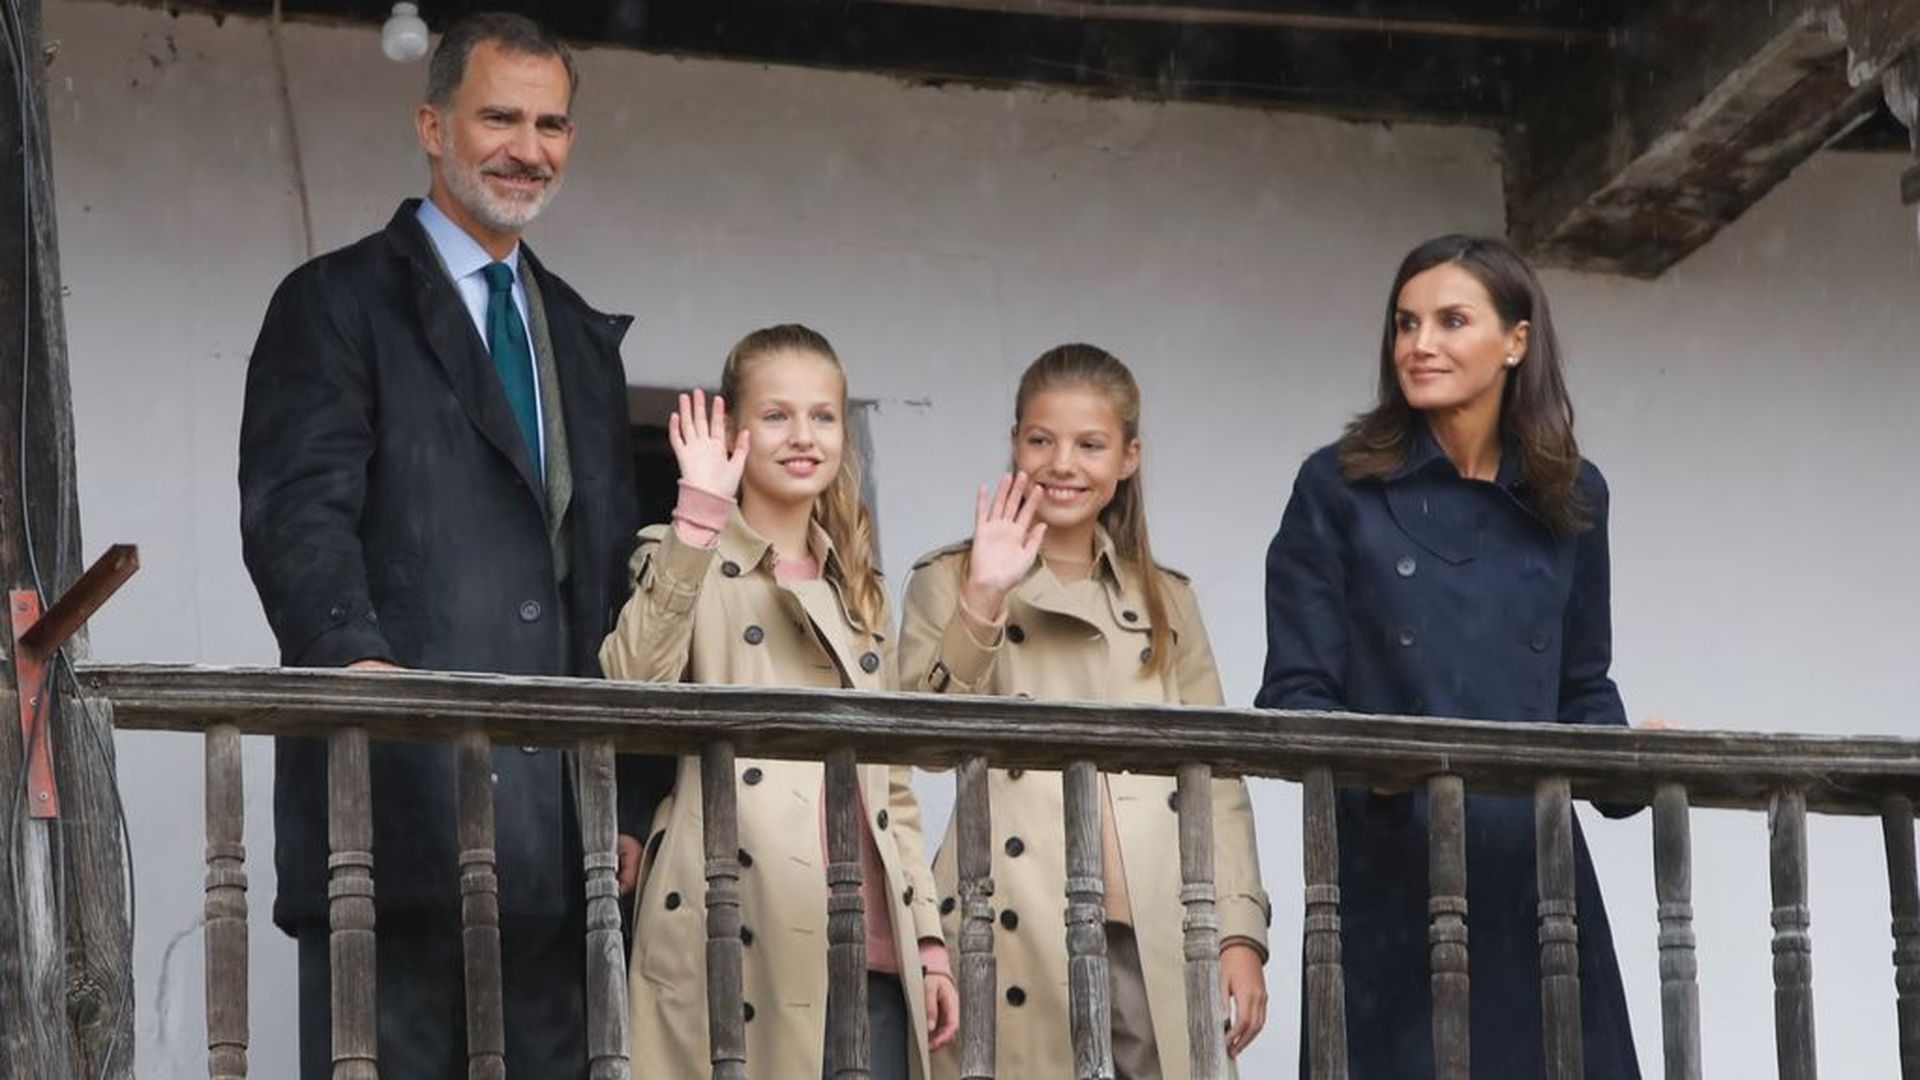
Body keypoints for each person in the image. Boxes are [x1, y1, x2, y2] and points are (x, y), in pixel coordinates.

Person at [238, 13, 668, 1076]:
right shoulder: (336, 303)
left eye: (553, 122)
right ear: (433, 125)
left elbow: (608, 575)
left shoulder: (578, 334)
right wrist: (357, 670)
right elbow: (298, 514)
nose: (529, 145)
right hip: (394, 827)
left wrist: (636, 791)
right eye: (501, 116)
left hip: (568, 844)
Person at [1257, 234, 1641, 1078]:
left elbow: (1581, 686)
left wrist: (1632, 759)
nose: (1418, 344)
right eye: (1404, 323)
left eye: (1450, 320)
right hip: (1394, 874)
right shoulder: (1339, 489)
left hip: (1540, 886)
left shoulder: (1573, 495)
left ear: (1516, 340)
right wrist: (1392, 771)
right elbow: (1295, 698)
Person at [900, 344, 1272, 1079]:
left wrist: (1239, 933)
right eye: (1041, 440)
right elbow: (920, 737)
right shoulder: (950, 576)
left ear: (1129, 458)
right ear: (1015, 445)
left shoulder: (1165, 597)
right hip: (1007, 912)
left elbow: (1217, 779)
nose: (1062, 462)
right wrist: (984, 596)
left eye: (1090, 444)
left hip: (1154, 915)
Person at [602, 325, 960, 1079]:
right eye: (776, 416)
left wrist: (927, 941)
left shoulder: (858, 589)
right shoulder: (679, 552)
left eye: (823, 416)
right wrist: (698, 514)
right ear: (733, 430)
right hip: (742, 931)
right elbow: (633, 685)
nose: (803, 436)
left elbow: (891, 784)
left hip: (872, 942)